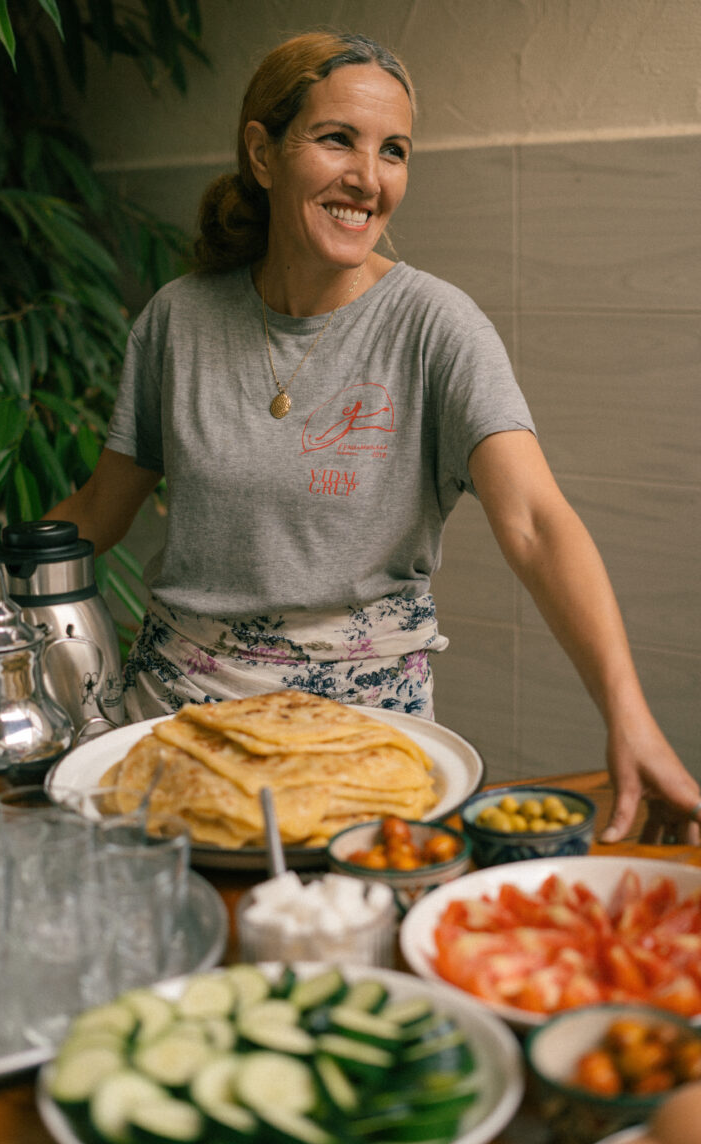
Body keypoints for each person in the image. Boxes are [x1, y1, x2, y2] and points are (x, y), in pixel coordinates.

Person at [46, 31, 700, 844]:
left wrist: (626, 713)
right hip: (176, 741)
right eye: (336, 140)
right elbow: (101, 509)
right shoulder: (177, 320)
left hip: (364, 756)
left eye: (393, 150)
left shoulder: (435, 326)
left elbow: (535, 522)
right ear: (262, 152)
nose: (368, 177)